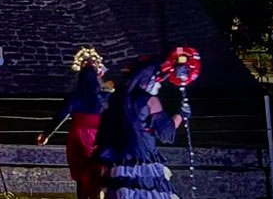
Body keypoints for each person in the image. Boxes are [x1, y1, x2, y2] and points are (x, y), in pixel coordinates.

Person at [93, 61, 189, 199]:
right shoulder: (149, 100)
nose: (159, 84)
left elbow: (106, 128)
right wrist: (182, 114)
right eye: (157, 80)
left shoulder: (117, 99)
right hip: (144, 157)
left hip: (120, 161)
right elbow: (165, 132)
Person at [36, 53, 108, 199]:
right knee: (97, 173)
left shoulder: (74, 96)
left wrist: (46, 134)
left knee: (82, 176)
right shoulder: (104, 97)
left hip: (78, 137)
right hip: (97, 137)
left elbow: (60, 116)